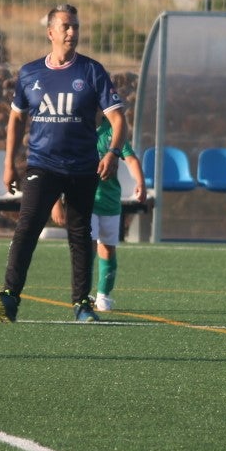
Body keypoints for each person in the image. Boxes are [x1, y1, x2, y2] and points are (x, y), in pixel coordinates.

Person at [0, 4, 127, 323]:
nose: (72, 32)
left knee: (80, 236)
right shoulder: (31, 73)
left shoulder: (92, 71)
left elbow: (118, 119)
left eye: (75, 26)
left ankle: (81, 304)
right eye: (65, 27)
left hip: (81, 168)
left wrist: (113, 153)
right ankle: (10, 296)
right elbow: (16, 119)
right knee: (27, 228)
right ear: (51, 33)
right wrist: (9, 163)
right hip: (42, 166)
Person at [50, 116, 147, 312]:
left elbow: (130, 158)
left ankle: (103, 295)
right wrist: (56, 202)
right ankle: (82, 294)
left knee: (108, 249)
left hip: (110, 201)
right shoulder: (75, 129)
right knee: (88, 247)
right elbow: (58, 167)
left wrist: (141, 183)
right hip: (84, 202)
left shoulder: (111, 131)